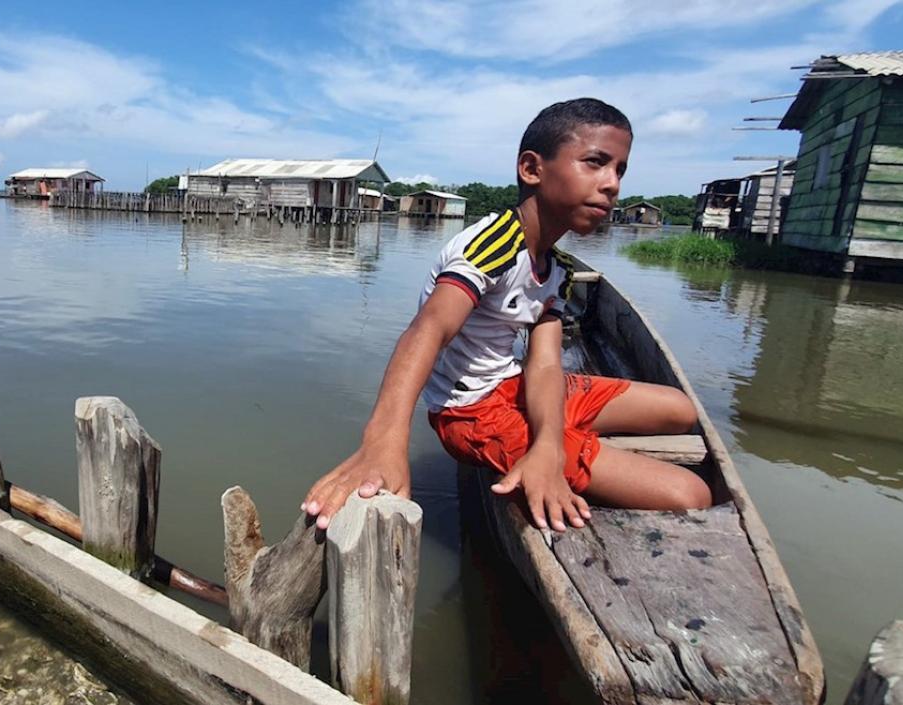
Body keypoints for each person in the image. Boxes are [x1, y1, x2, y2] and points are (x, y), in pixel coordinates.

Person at [302, 98, 711, 534]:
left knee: (678, 410)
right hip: (471, 412)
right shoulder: (492, 245)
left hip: (513, 384)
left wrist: (550, 448)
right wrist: (383, 439)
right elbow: (430, 328)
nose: (612, 184)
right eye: (595, 163)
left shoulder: (559, 268)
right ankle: (557, 446)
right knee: (691, 495)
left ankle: (559, 442)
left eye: (620, 170)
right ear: (532, 169)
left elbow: (548, 363)